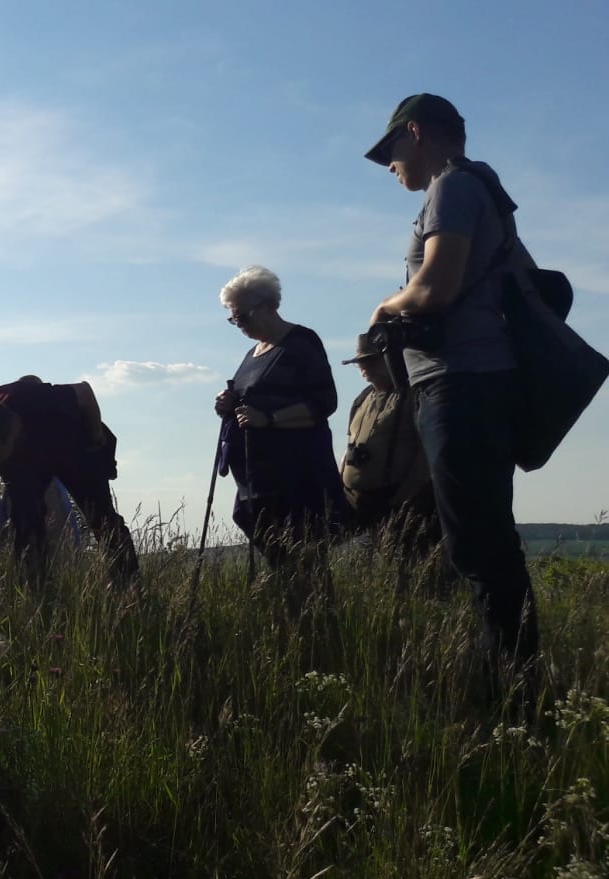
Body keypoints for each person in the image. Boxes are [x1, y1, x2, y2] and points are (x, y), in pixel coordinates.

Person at [362, 93, 540, 677]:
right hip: (476, 380)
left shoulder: (452, 187)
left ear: (416, 132)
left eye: (392, 150)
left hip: (460, 382)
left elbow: (435, 289)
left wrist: (383, 310)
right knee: (482, 533)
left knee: (477, 542)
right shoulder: (484, 190)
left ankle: (510, 682)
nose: (390, 166)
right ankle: (514, 670)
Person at [213, 266, 348, 571]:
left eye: (242, 316)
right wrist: (229, 403)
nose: (238, 324)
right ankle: (293, 613)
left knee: (304, 560)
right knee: (281, 559)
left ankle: (312, 616)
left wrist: (269, 418)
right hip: (257, 480)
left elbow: (324, 402)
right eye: (232, 318)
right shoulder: (253, 354)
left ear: (267, 306)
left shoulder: (301, 342)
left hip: (296, 476)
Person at [0, 379, 139, 586]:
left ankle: (128, 584)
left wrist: (95, 437)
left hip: (72, 446)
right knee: (24, 522)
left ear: (11, 433)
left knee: (101, 517)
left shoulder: (34, 400)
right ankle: (36, 588)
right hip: (24, 461)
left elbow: (84, 391)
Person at [338, 333, 437, 551]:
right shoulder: (362, 399)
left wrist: (404, 497)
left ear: (389, 359)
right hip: (358, 505)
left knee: (409, 565)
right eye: (360, 362)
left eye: (370, 360)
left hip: (401, 503)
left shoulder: (414, 395)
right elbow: (350, 446)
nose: (364, 366)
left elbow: (426, 454)